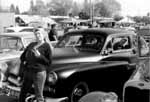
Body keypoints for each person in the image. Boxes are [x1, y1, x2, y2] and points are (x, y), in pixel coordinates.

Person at [18, 29, 52, 102]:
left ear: (43, 35)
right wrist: (25, 55)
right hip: (28, 72)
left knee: (38, 95)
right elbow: (22, 57)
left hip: (39, 73)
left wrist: (39, 56)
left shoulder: (46, 46)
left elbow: (48, 62)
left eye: (39, 33)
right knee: (23, 92)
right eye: (36, 34)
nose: (37, 35)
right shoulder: (31, 44)